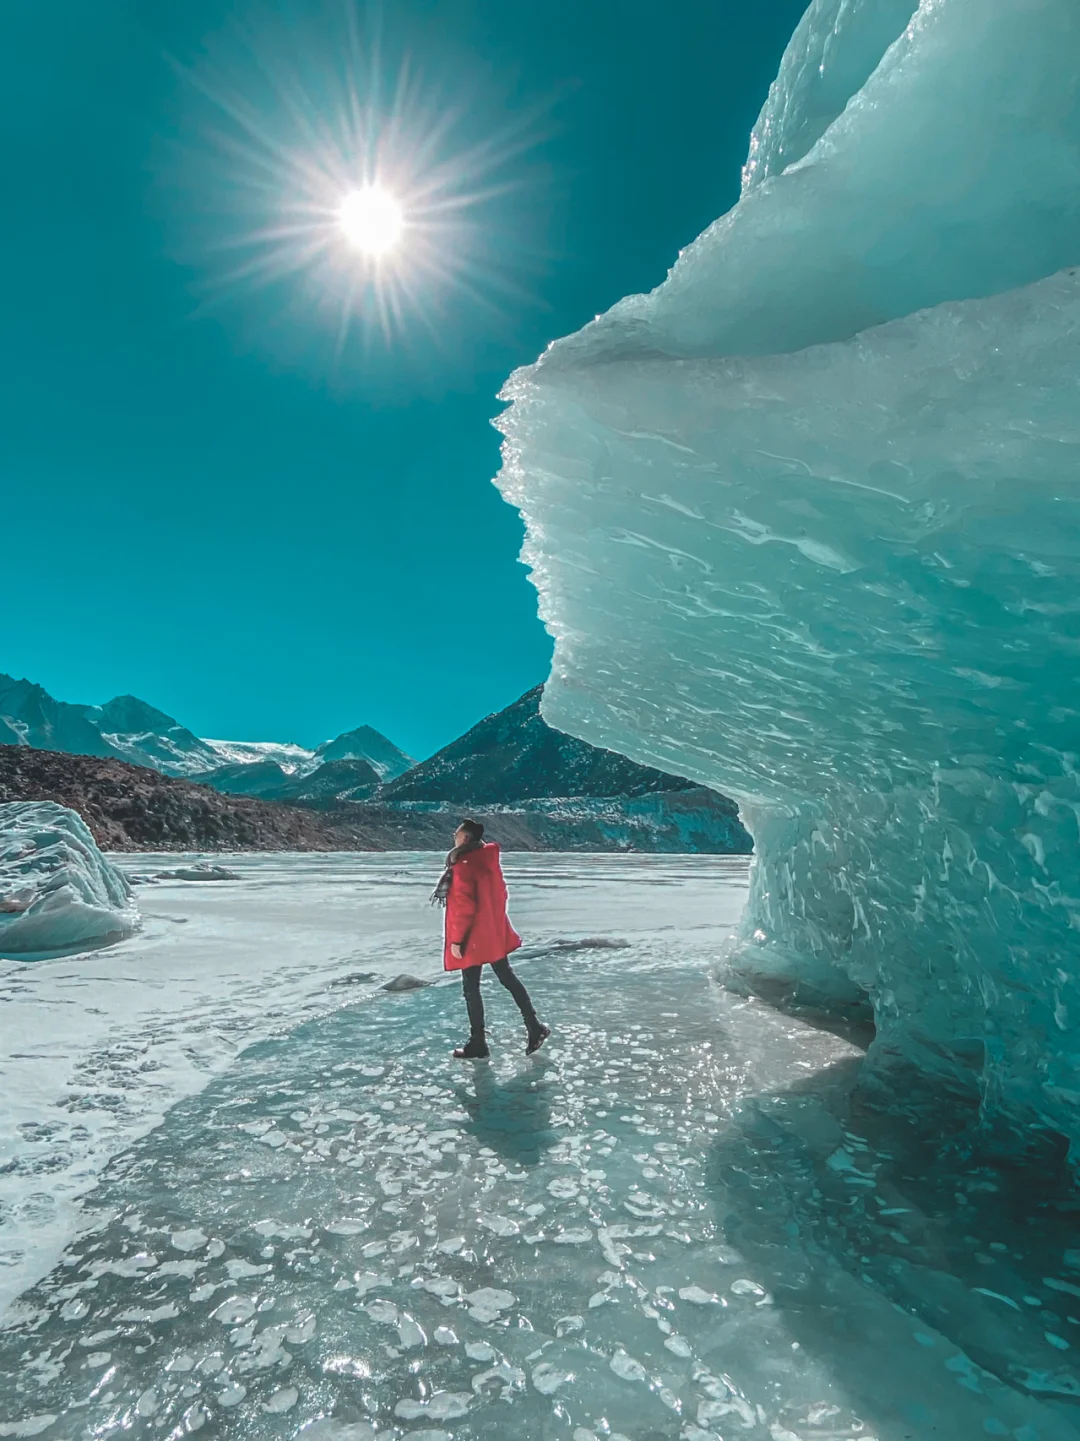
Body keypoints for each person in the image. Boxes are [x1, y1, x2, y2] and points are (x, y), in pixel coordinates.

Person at [430, 818, 550, 1060]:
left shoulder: (464, 865)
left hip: (473, 937)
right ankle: (534, 1026)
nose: (454, 836)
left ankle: (478, 1043)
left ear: (465, 839)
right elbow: (502, 893)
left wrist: (457, 941)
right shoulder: (488, 861)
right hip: (492, 932)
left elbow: (464, 908)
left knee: (471, 989)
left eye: (457, 833)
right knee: (507, 977)